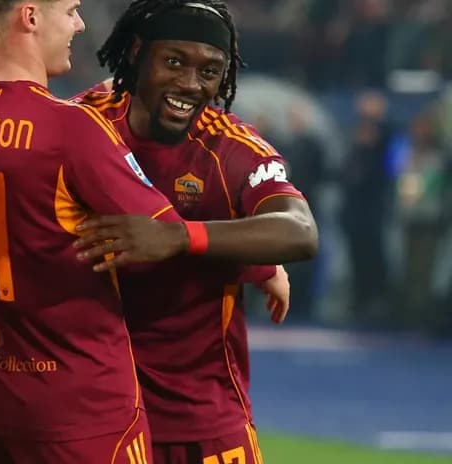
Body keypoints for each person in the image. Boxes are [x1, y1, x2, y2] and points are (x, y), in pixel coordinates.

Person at [0, 1, 217, 462]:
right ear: (31, 16)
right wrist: (263, 264)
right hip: (78, 412)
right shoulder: (73, 128)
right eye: (70, 9)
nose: (79, 24)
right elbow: (167, 238)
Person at [72, 1, 318, 463]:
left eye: (210, 71)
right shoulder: (83, 122)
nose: (190, 84)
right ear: (137, 53)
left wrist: (181, 237)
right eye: (173, 62)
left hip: (202, 425)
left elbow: (300, 231)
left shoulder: (232, 148)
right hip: (96, 416)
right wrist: (255, 259)